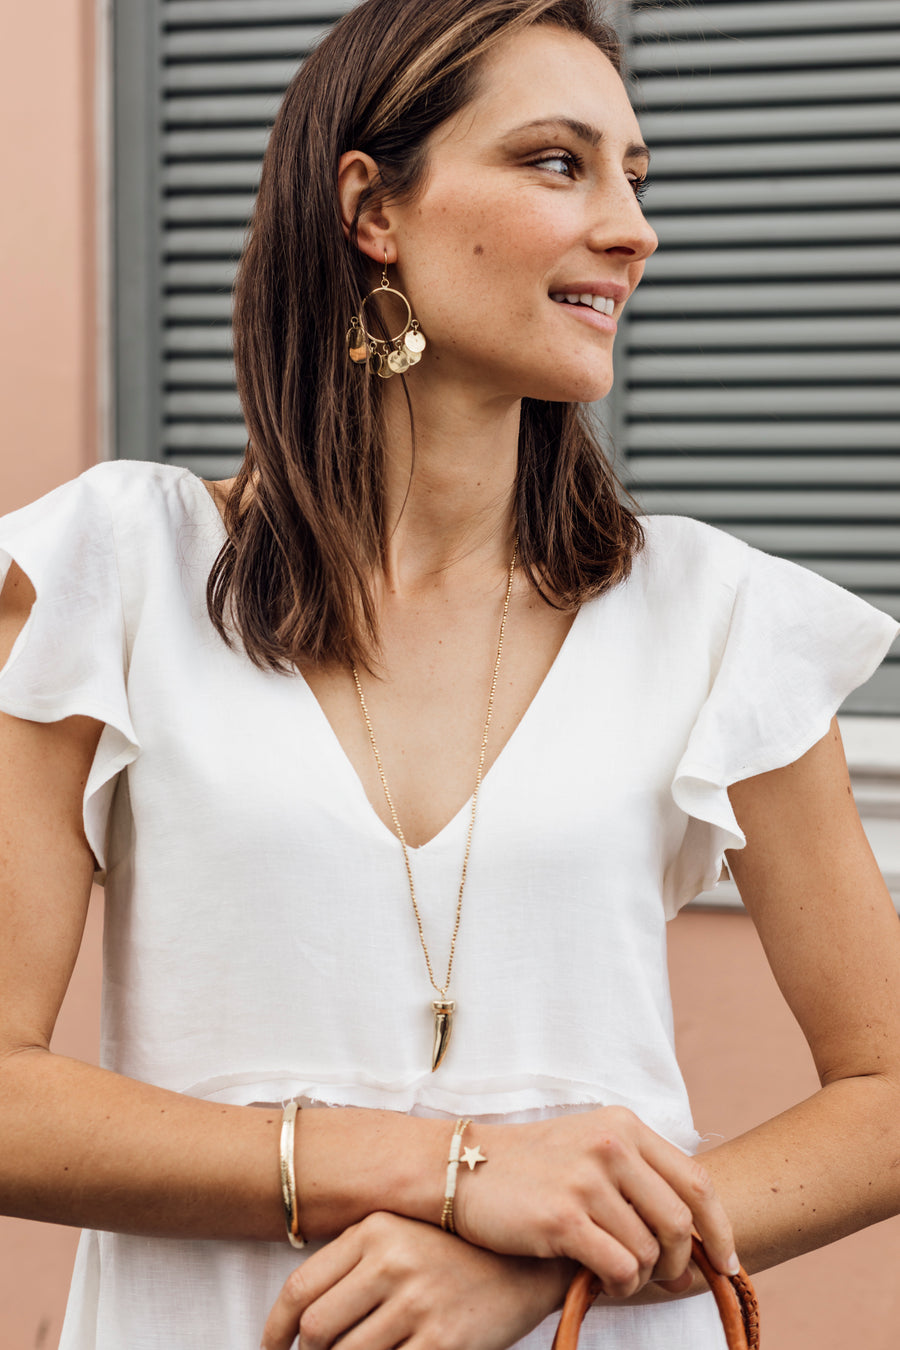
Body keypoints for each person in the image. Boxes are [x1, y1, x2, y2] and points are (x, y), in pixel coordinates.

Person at [1, 1, 899, 1347]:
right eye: (558, 161)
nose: (630, 227)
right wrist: (456, 1169)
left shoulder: (718, 615)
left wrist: (550, 1261)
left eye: (634, 176)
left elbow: (888, 1089)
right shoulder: (113, 573)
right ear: (373, 206)